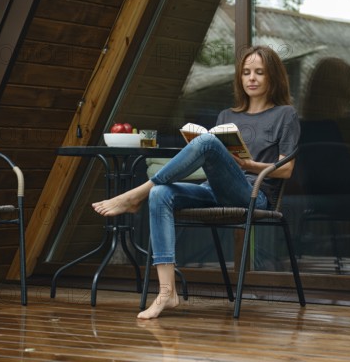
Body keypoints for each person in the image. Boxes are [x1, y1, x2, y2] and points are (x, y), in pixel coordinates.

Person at [92, 45, 300, 319]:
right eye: (246, 72)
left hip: (254, 194)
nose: (251, 78)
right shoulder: (227, 116)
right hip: (214, 188)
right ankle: (167, 293)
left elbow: (285, 170)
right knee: (161, 194)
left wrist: (248, 165)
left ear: (272, 77)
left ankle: (136, 194)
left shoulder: (285, 115)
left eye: (259, 73)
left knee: (207, 142)